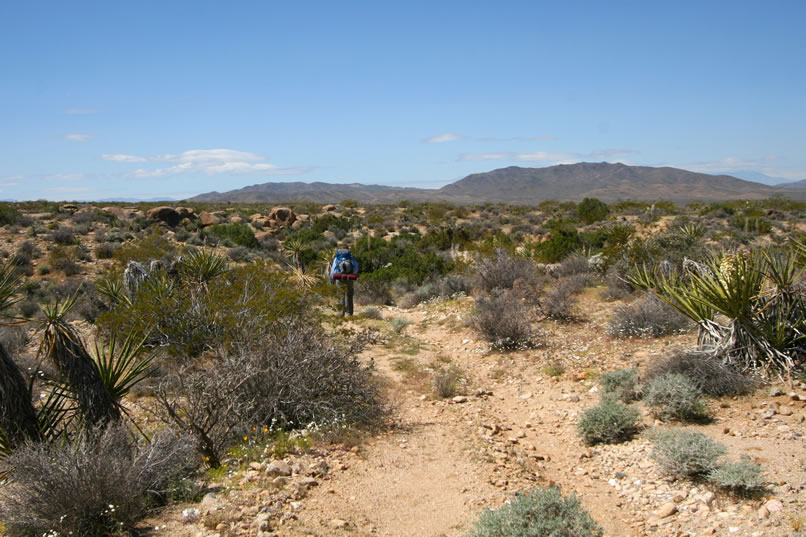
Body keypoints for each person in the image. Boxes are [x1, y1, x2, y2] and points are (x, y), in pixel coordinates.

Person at [329, 244, 359, 316]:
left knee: (341, 295)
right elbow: (356, 268)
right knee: (349, 295)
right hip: (349, 278)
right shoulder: (351, 257)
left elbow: (333, 271)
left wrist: (332, 279)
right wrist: (352, 274)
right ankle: (349, 313)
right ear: (348, 249)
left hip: (339, 278)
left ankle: (341, 313)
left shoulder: (337, 258)